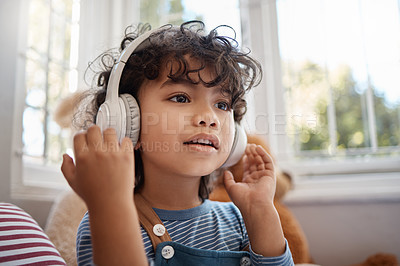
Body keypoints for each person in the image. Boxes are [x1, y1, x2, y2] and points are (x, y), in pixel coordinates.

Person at [61, 21, 294, 265]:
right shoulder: (104, 219)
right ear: (129, 123)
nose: (210, 118)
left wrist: (260, 211)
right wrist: (109, 208)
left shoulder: (239, 218)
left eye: (222, 105)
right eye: (181, 98)